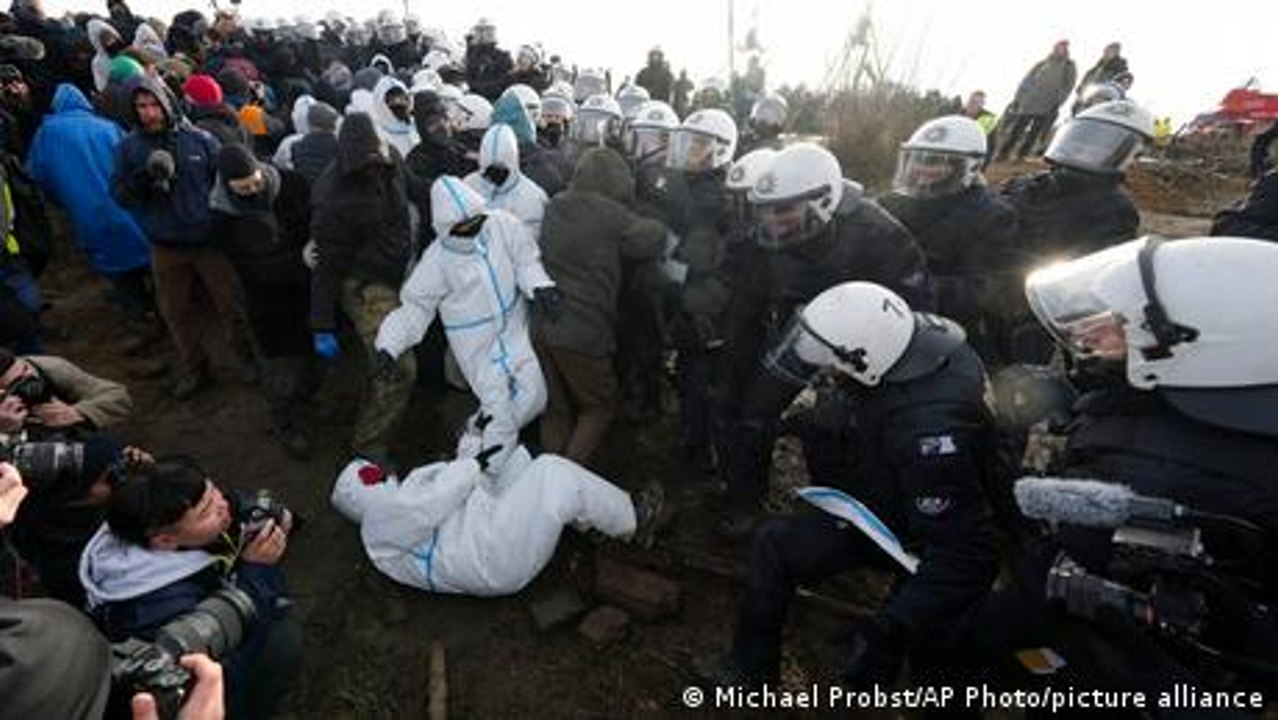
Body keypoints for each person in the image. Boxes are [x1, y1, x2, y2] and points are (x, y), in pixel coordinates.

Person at [954, 236, 1278, 705]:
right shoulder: (1238, 404)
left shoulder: (1135, 468)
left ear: (1195, 349)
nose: (1089, 336)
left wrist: (964, 645)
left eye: (1118, 327)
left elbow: (1047, 582)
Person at [714, 282, 1004, 687]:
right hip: (883, 496)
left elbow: (967, 552)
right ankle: (752, 672)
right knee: (774, 545)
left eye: (830, 358)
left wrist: (890, 628)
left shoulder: (929, 433)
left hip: (922, 535)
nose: (821, 366)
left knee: (937, 660)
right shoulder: (915, 344)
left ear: (868, 357)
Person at [716, 143, 933, 533]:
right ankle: (744, 501)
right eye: (766, 210)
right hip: (799, 330)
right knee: (754, 410)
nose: (773, 221)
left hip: (866, 345)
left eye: (784, 210)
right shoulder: (765, 238)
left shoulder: (877, 233)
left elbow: (915, 303)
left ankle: (844, 517)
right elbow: (750, 293)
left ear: (823, 200)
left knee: (837, 429)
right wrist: (736, 352)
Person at [79, 456, 301, 720]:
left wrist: (263, 514)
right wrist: (256, 571)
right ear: (164, 540)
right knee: (283, 639)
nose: (221, 506)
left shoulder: (163, 515)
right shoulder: (157, 611)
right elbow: (219, 673)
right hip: (199, 690)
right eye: (206, 512)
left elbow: (228, 501)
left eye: (213, 490)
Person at [331, 433, 663, 596]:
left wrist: (472, 444)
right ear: (365, 493)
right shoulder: (379, 525)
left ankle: (593, 522)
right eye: (374, 476)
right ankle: (634, 521)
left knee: (519, 460)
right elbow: (434, 500)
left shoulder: (390, 520)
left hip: (482, 535)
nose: (385, 473)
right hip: (490, 554)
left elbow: (444, 490)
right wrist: (471, 463)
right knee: (552, 474)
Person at [374, 177, 555, 465]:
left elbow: (525, 260)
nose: (472, 231)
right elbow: (415, 309)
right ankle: (484, 473)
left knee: (536, 394)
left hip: (515, 329)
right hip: (477, 348)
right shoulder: (437, 261)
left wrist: (540, 285)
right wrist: (389, 345)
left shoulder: (502, 225)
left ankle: (475, 437)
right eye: (462, 228)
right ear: (445, 229)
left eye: (475, 222)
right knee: (501, 410)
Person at [111, 74, 254, 400]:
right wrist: (142, 179)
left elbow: (224, 185)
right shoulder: (128, 149)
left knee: (231, 305)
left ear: (166, 102)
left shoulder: (200, 140)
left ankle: (247, 360)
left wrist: (223, 225)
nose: (149, 112)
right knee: (175, 313)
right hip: (165, 245)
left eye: (153, 104)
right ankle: (195, 368)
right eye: (141, 106)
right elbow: (119, 194)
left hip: (208, 242)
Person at [534, 147, 665, 464]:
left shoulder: (554, 205)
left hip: (540, 328)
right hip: (582, 333)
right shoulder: (610, 214)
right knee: (599, 408)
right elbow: (652, 238)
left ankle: (543, 480)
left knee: (557, 408)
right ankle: (564, 483)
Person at [309, 112, 424, 463]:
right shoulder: (331, 197)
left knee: (387, 366)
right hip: (365, 282)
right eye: (366, 166)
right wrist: (322, 323)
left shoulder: (390, 158)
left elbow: (415, 187)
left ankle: (373, 409)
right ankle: (369, 446)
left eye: (380, 162)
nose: (376, 170)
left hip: (402, 268)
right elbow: (327, 265)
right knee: (398, 367)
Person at [1000, 99, 1152, 363]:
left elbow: (1081, 275)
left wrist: (1006, 261)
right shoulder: (1026, 185)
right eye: (1084, 139)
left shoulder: (1115, 208)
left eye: (1103, 144)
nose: (1087, 149)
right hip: (987, 296)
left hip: (1035, 311)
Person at [878, 116, 1021, 367]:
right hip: (881, 314)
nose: (921, 169)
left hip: (946, 332)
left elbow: (982, 290)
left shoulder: (991, 216)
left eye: (934, 162)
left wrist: (917, 287)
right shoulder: (890, 204)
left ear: (970, 168)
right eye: (916, 159)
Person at [24, 82, 154, 352]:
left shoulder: (44, 136)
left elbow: (35, 178)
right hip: (128, 209)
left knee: (119, 273)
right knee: (146, 258)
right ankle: (161, 309)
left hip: (86, 215)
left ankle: (140, 321)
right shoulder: (106, 127)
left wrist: (63, 199)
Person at [210, 144, 316, 459]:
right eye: (242, 190)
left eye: (256, 183)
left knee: (310, 359)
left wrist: (315, 241)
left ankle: (306, 398)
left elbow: (313, 217)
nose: (254, 192)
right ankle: (285, 422)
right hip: (267, 304)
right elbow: (251, 269)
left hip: (306, 292)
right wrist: (299, 260)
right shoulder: (222, 219)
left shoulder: (291, 184)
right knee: (280, 368)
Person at [662, 108, 738, 469]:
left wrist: (670, 264)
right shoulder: (687, 185)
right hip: (689, 296)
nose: (689, 152)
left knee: (700, 380)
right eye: (686, 143)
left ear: (719, 151)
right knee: (690, 374)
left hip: (706, 304)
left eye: (698, 145)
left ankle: (700, 452)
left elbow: (702, 256)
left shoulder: (717, 197)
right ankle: (692, 439)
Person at [0, 347, 132, 432]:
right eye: (16, 387)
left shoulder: (49, 368)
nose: (30, 387)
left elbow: (117, 394)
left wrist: (78, 412)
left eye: (26, 374)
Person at [463, 123, 548, 236]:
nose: (494, 176)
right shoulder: (468, 186)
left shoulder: (532, 197)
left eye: (501, 169)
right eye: (489, 170)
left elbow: (531, 244)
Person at [998, 40, 1076, 161]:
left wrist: (1058, 102)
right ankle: (1003, 153)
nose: (1060, 49)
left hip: (1048, 104)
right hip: (1029, 102)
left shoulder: (1069, 66)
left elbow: (1069, 86)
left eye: (1063, 47)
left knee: (1034, 132)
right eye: (1058, 46)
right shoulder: (1042, 63)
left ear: (1066, 50)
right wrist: (1018, 98)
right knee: (1017, 128)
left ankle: (1021, 155)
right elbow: (1026, 80)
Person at [370, 75, 418, 159]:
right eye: (391, 99)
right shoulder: (379, 136)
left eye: (401, 96)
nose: (398, 101)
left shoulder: (417, 125)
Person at [464, 18, 512, 101]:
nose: (483, 35)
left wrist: (479, 88)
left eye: (486, 31)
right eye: (479, 31)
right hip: (472, 100)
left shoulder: (502, 56)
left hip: (494, 100)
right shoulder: (471, 55)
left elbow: (504, 82)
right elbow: (468, 76)